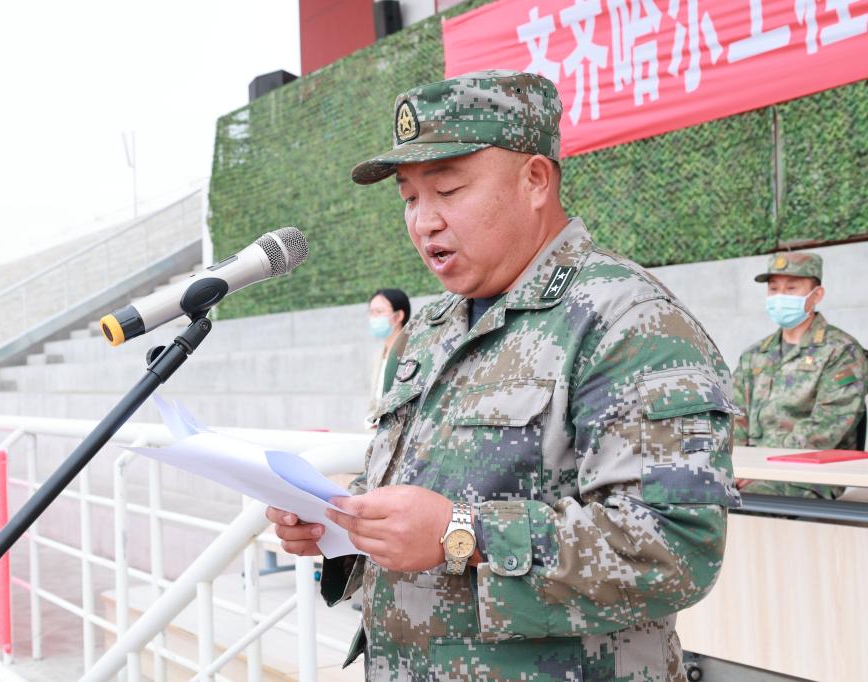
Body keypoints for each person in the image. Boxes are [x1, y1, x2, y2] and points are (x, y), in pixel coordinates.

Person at [267, 70, 740, 681]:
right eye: (409, 198)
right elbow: (427, 485)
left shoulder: (629, 320)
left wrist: (462, 533)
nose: (424, 222)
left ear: (535, 180)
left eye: (448, 189)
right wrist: (343, 516)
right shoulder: (435, 326)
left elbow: (676, 548)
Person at [733, 252, 868, 499]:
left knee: (738, 502)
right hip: (750, 471)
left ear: (816, 295)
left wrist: (760, 467)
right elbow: (734, 417)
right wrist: (734, 466)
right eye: (774, 289)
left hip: (809, 474)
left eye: (791, 288)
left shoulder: (842, 351)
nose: (780, 297)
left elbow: (825, 428)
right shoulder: (755, 354)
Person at [367, 288, 411, 425]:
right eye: (371, 312)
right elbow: (374, 400)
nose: (373, 318)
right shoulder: (378, 356)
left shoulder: (411, 352)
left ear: (398, 316)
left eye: (379, 312)